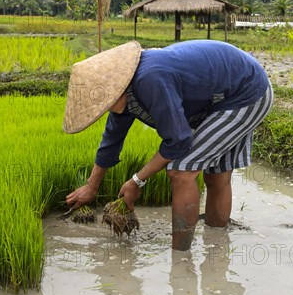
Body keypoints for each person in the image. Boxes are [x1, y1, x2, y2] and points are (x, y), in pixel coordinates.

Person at [63, 40, 273, 251]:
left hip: (246, 92)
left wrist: (136, 181)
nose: (102, 110)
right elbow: (111, 141)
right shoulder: (124, 94)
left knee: (181, 172)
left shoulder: (149, 80)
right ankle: (217, 246)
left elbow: (178, 141)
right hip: (221, 94)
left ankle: (180, 258)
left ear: (113, 91)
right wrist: (92, 186)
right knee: (216, 171)